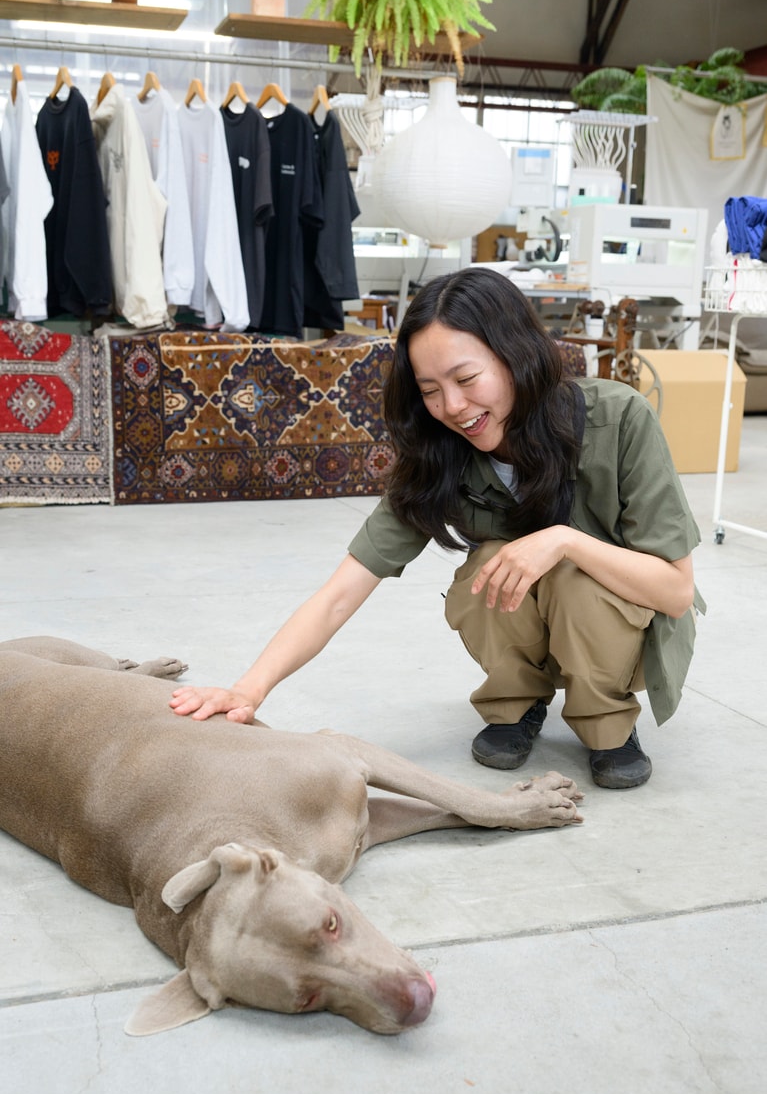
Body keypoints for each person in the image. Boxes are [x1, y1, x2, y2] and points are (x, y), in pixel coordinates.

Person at [170, 268, 705, 789]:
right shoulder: (438, 456)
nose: (452, 407)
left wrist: (565, 541)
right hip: (540, 628)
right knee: (487, 567)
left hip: (624, 629)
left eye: (467, 379)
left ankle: (607, 720)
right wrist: (249, 689)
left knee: (572, 574)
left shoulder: (621, 417)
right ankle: (516, 703)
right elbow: (339, 595)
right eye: (430, 390)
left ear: (517, 355)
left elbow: (676, 591)